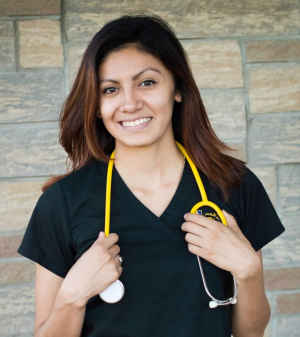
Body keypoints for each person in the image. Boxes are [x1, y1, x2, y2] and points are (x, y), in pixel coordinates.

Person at [18, 15, 285, 337]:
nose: (130, 103)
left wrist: (249, 272)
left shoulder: (233, 185)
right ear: (96, 105)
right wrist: (72, 298)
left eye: (147, 82)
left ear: (178, 88)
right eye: (111, 89)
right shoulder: (62, 202)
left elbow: (250, 333)